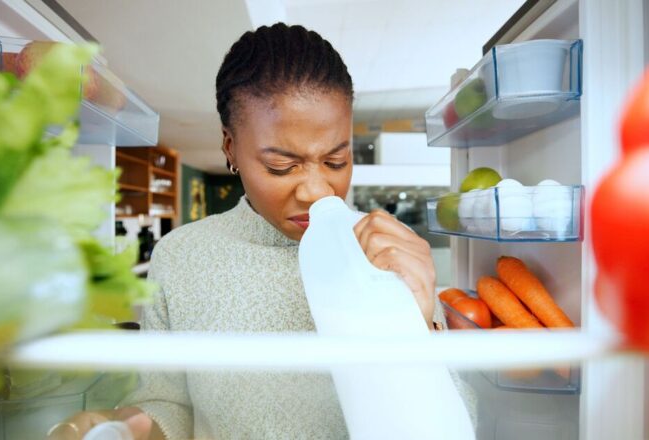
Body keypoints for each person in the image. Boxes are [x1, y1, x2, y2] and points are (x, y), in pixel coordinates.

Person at [48, 22, 474, 440]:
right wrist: (127, 430)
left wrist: (422, 329)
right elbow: (169, 403)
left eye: (336, 160)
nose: (316, 189)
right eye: (281, 166)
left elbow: (457, 419)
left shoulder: (384, 255)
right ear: (230, 147)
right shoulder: (181, 256)